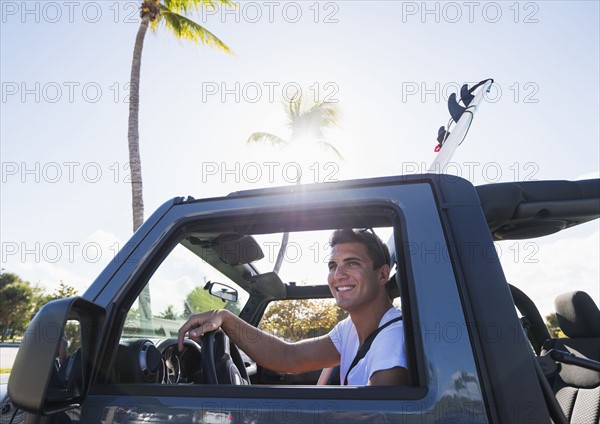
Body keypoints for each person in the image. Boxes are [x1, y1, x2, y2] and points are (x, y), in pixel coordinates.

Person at [178, 228, 408, 386]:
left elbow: (380, 416)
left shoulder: (392, 338)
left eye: (352, 263)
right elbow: (290, 357)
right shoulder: (349, 329)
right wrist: (225, 317)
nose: (338, 275)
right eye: (332, 265)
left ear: (383, 274)